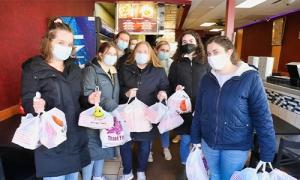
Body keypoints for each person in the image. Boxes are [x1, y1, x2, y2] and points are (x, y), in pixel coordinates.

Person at [191, 36, 276, 180]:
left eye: (216, 52)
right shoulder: (207, 79)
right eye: (209, 53)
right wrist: (196, 139)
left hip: (235, 146)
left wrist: (267, 153)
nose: (211, 57)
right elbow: (199, 111)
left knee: (228, 177)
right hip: (209, 142)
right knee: (213, 175)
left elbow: (262, 117)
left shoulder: (249, 78)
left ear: (229, 52)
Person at [21, 20, 95, 179]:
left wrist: (88, 99)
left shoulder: (74, 69)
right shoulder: (34, 69)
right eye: (61, 42)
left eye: (70, 44)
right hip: (52, 140)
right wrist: (36, 106)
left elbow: (78, 100)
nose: (66, 47)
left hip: (75, 137)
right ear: (49, 42)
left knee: (74, 176)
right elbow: (28, 101)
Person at [119, 41, 169, 180]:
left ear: (150, 54)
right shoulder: (125, 68)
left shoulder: (158, 70)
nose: (142, 54)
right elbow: (119, 87)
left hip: (147, 113)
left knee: (145, 145)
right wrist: (126, 93)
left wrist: (163, 93)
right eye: (139, 51)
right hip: (128, 113)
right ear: (134, 53)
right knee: (125, 144)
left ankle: (141, 170)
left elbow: (164, 86)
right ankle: (127, 172)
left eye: (145, 52)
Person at [168, 30, 209, 180]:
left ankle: (200, 168)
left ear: (197, 42)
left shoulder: (206, 63)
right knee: (185, 140)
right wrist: (175, 88)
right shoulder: (176, 64)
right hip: (183, 109)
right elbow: (169, 84)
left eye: (191, 41)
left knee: (200, 141)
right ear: (180, 45)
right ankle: (186, 166)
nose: (188, 44)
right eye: (184, 42)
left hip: (202, 109)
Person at [81, 42, 120, 180]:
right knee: (92, 152)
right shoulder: (91, 70)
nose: (112, 56)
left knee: (103, 148)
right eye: (108, 53)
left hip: (107, 116)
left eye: (114, 54)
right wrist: (111, 105)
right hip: (94, 117)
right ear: (100, 54)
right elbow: (88, 92)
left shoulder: (113, 71)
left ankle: (97, 176)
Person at [148, 40, 173, 163]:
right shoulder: (150, 63)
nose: (165, 53)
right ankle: (149, 150)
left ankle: (166, 147)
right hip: (151, 98)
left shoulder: (171, 64)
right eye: (162, 50)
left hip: (166, 98)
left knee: (165, 125)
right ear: (156, 50)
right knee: (151, 125)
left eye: (167, 51)